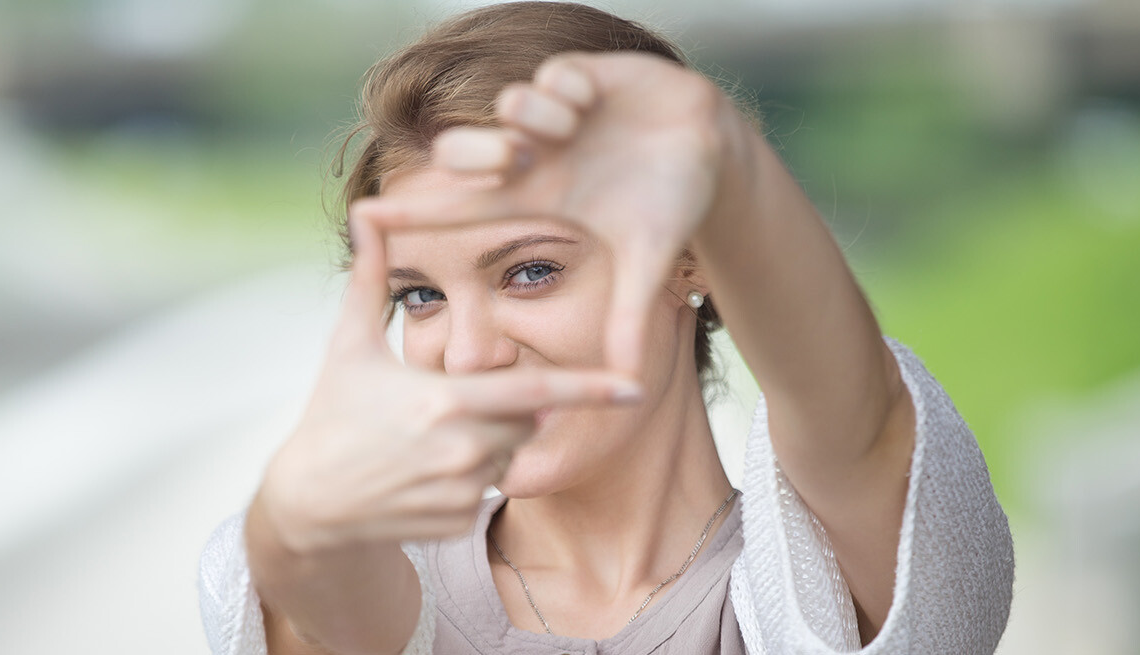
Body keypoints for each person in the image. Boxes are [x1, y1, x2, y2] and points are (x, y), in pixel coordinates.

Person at [197, 3, 1014, 654]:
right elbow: (313, 588)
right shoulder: (392, 587)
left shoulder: (815, 597)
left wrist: (727, 166)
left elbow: (859, 418)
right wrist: (289, 526)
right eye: (420, 295)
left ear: (691, 256)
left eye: (531, 270)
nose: (470, 355)